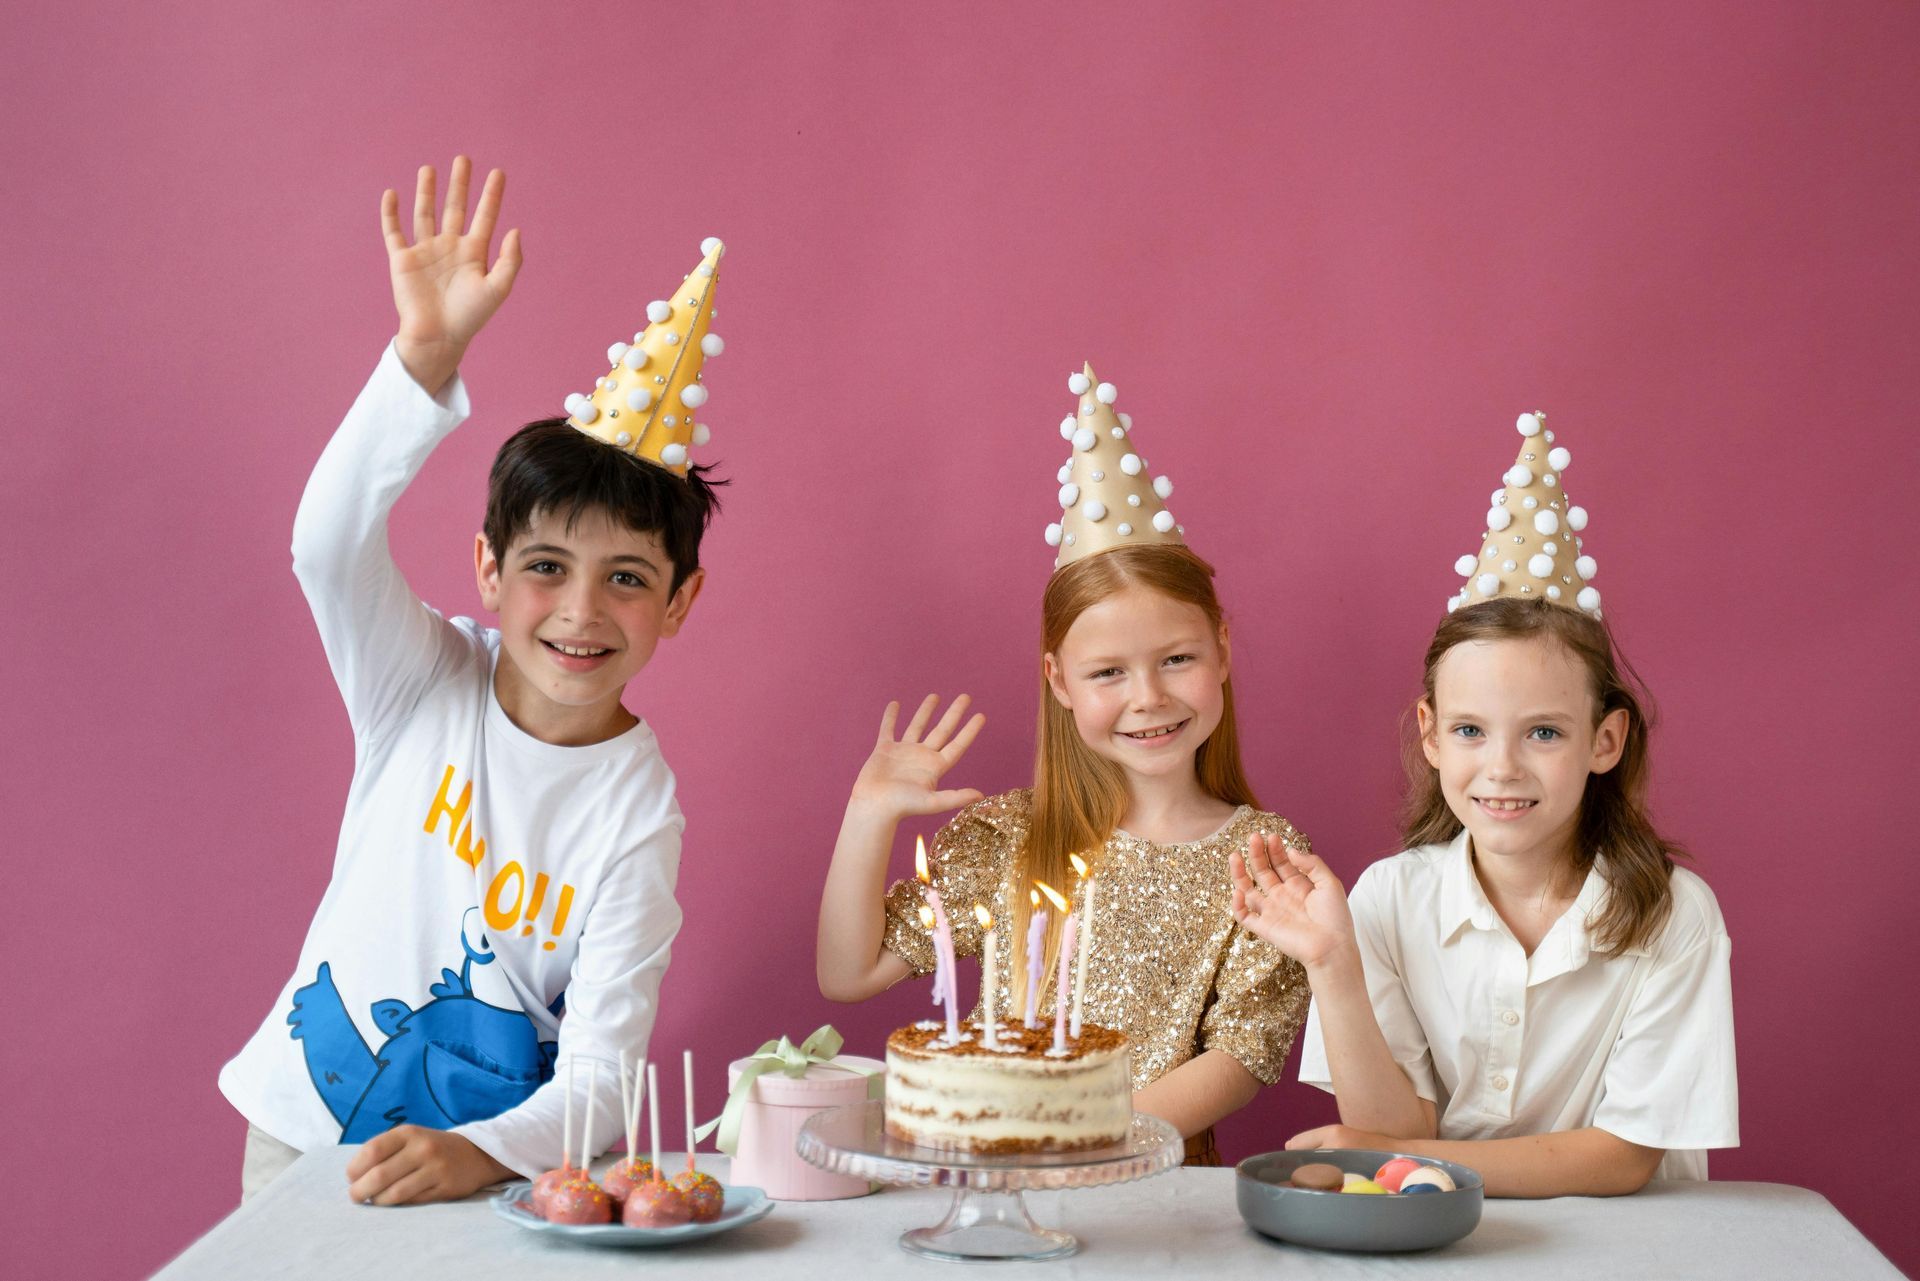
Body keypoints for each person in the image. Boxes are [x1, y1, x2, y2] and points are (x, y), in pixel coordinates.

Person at [217, 158, 726, 1204]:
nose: (581, 612)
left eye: (626, 579)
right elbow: (326, 545)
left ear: (678, 603)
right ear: (490, 570)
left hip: (485, 1183)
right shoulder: (424, 680)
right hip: (300, 1142)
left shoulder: (638, 812)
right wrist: (422, 361)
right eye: (546, 567)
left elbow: (600, 1081)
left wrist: (483, 1152)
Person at [1230, 412, 1736, 1196]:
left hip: (1631, 1251)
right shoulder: (1389, 899)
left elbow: (1623, 1156)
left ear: (1604, 740)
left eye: (1542, 731)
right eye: (1471, 729)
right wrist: (1332, 963)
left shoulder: (1674, 914)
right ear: (1430, 735)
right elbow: (1397, 1123)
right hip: (1448, 1238)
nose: (1501, 767)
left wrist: (1406, 1159)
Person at [816, 367, 1310, 1164]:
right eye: (1109, 672)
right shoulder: (1009, 834)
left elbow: (1242, 1057)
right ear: (1060, 683)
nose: (1148, 697)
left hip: (1153, 1194)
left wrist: (1075, 1138)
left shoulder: (1264, 859)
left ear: (1221, 649)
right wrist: (867, 814)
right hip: (990, 1187)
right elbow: (848, 972)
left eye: (1176, 658)